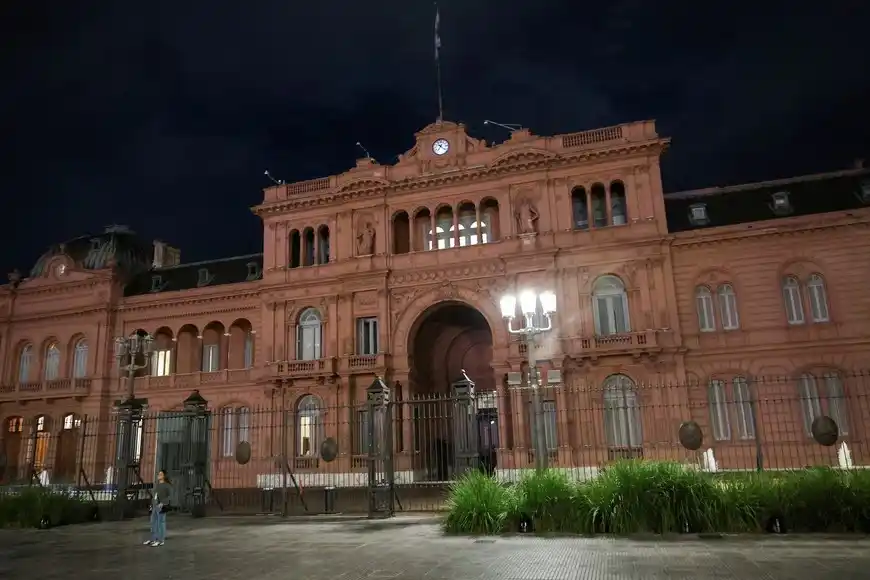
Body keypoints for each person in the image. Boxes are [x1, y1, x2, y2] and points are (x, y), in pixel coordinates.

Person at [144, 470, 172, 547]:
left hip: (161, 506)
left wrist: (163, 503)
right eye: (158, 474)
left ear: (164, 476)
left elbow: (170, 496)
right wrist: (152, 504)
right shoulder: (157, 485)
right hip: (155, 506)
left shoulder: (167, 485)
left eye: (160, 474)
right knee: (153, 522)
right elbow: (155, 495)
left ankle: (161, 540)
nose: (158, 475)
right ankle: (153, 539)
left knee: (161, 523)